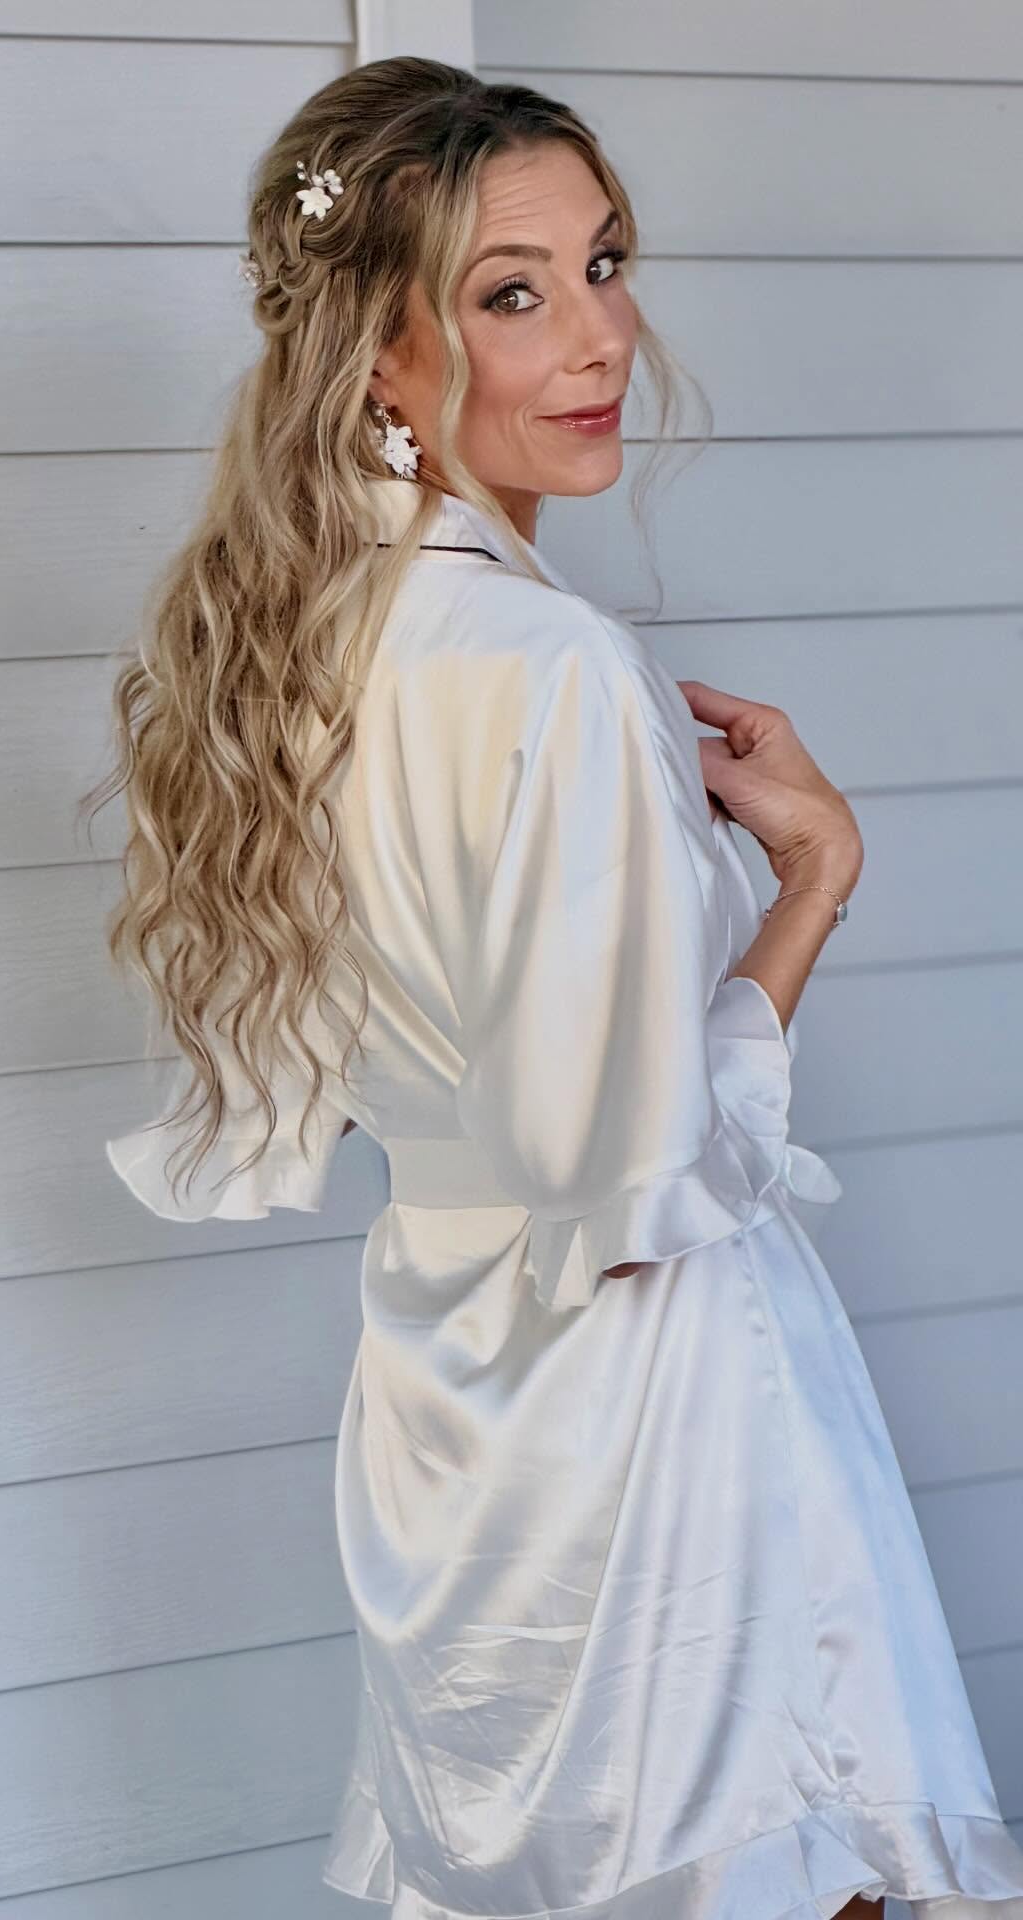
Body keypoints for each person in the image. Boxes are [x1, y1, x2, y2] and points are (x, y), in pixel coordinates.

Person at [87, 55, 1023, 1920]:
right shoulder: (552, 666)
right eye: (513, 291)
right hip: (647, 1442)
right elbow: (634, 1189)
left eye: (606, 262)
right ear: (378, 347)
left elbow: (459, 1112)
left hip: (450, 1420)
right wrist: (813, 887)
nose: (600, 336)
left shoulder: (300, 647)